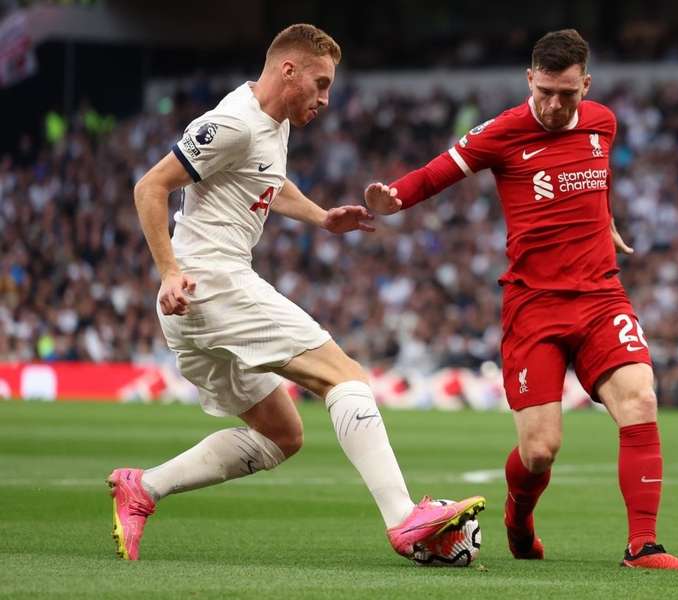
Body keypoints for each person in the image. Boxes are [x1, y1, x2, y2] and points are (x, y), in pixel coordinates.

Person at [108, 23, 484, 562]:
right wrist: (169, 271)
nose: (326, 99)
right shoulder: (233, 122)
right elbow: (150, 186)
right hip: (210, 282)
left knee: (281, 435)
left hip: (196, 302)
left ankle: (142, 487)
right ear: (289, 71)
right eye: (322, 84)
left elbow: (267, 181)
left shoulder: (270, 123)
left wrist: (320, 217)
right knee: (346, 376)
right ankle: (404, 519)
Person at [365, 29, 678, 570]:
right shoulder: (502, 132)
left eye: (566, 93)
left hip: (600, 297)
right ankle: (518, 518)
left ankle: (644, 546)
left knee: (640, 399)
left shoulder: (603, 123)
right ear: (529, 79)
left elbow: (597, 180)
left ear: (585, 85)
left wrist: (605, 220)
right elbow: (438, 172)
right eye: (544, 89)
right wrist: (393, 197)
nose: (553, 103)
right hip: (534, 307)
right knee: (540, 450)